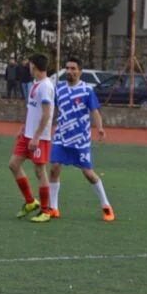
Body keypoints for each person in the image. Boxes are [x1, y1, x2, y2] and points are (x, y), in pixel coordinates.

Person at [48, 57, 115, 222]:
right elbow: (51, 109)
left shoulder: (87, 90)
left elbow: (95, 111)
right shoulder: (59, 88)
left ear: (80, 71)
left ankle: (106, 206)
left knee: (88, 174)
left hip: (80, 140)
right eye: (67, 68)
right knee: (54, 169)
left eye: (73, 68)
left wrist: (99, 128)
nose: (69, 71)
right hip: (61, 137)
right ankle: (53, 208)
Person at [8, 53, 55, 223]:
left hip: (39, 137)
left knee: (39, 171)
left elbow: (47, 114)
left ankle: (45, 210)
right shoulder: (36, 84)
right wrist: (24, 127)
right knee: (13, 164)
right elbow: (32, 110)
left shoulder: (46, 86)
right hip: (27, 134)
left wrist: (36, 137)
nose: (28, 67)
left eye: (29, 64)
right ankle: (30, 202)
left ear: (34, 66)